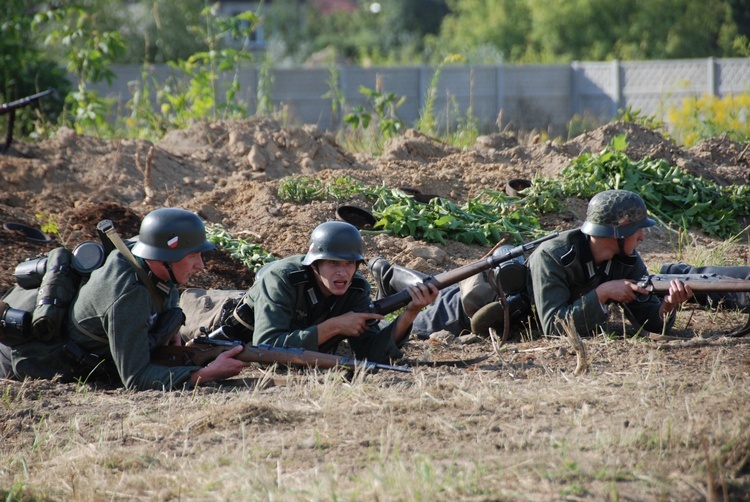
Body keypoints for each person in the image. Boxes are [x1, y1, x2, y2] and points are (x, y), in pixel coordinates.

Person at [369, 190, 694, 339]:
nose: (642, 237)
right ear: (616, 232)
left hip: (518, 313)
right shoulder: (555, 255)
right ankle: (390, 275)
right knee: (425, 305)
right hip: (469, 310)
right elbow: (554, 326)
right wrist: (604, 294)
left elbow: (652, 324)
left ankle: (392, 274)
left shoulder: (626, 260)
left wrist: (667, 306)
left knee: (428, 288)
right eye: (636, 231)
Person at [0, 208, 251, 390]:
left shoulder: (139, 253)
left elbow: (166, 289)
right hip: (24, 360)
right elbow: (137, 378)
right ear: (163, 256)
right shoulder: (127, 296)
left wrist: (169, 331)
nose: (201, 265)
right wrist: (204, 374)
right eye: (192, 256)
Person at [237, 221, 438, 364]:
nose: (343, 272)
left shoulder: (356, 288)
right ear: (315, 265)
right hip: (218, 312)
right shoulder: (282, 279)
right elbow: (265, 349)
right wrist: (334, 327)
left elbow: (371, 354)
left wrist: (410, 313)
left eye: (350, 263)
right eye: (333, 263)